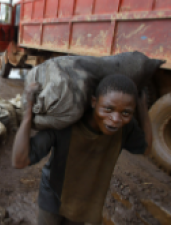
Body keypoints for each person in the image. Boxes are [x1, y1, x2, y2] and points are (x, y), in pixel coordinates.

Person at [12, 74, 152, 225]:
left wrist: (143, 108)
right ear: (94, 101)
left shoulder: (125, 129)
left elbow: (146, 149)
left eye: (126, 113)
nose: (116, 119)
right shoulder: (66, 124)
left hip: (85, 204)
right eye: (108, 109)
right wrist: (28, 113)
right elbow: (19, 161)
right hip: (53, 198)